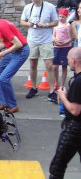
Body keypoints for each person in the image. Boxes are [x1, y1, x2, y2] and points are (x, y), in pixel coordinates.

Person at [0, 9, 30, 113]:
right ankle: (4, 103)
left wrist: (2, 53)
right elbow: (9, 42)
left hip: (21, 51)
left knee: (4, 78)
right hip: (14, 50)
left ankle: (13, 106)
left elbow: (18, 44)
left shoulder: (2, 26)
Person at [20, 0, 58, 99]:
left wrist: (45, 25)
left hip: (46, 39)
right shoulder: (28, 7)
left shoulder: (50, 7)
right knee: (32, 64)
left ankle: (52, 90)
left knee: (49, 65)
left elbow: (55, 22)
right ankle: (33, 87)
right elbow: (22, 21)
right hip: (32, 39)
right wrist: (28, 24)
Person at [49, 47, 81, 179]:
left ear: (73, 60)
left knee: (57, 166)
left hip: (75, 128)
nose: (67, 62)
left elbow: (75, 110)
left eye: (68, 59)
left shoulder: (78, 82)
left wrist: (62, 96)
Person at [52, 8, 72, 106]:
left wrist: (64, 43)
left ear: (66, 17)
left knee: (64, 66)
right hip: (57, 47)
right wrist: (55, 40)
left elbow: (70, 38)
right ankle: (57, 82)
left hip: (65, 47)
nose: (61, 18)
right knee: (55, 66)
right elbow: (53, 36)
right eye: (60, 16)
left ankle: (62, 83)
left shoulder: (67, 25)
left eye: (63, 17)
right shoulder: (56, 25)